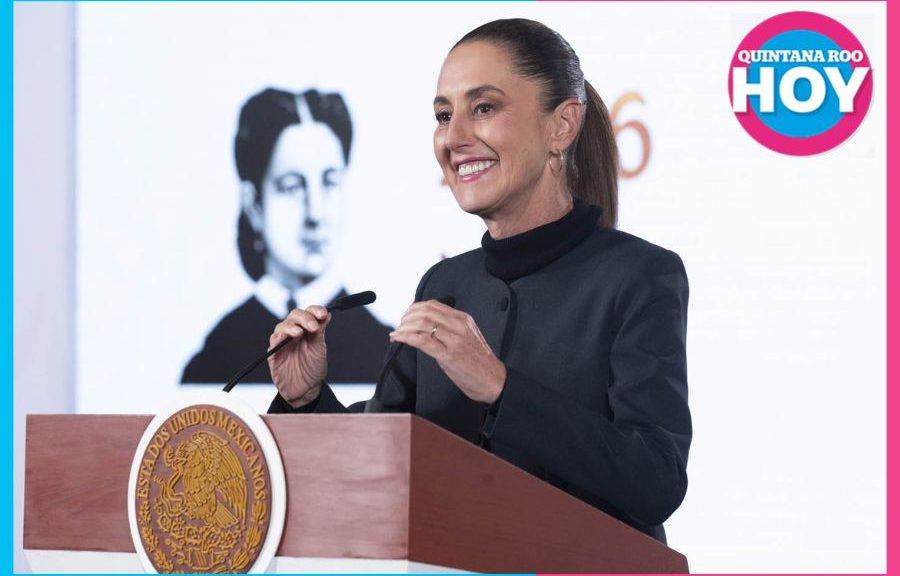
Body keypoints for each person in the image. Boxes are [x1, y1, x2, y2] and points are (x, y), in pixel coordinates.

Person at [266, 19, 691, 543]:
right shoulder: (443, 282)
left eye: (484, 108)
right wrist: (307, 399)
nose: (454, 137)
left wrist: (500, 387)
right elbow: (381, 456)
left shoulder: (637, 275)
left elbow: (655, 480)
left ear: (561, 126)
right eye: (444, 116)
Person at [182, 87, 391, 384]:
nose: (315, 213)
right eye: (293, 187)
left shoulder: (383, 348)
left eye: (330, 182)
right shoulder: (216, 356)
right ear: (254, 204)